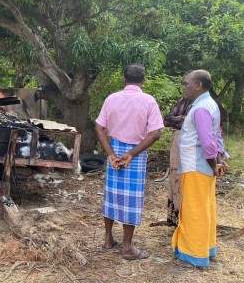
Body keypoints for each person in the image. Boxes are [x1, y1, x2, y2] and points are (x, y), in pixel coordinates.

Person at [95, 63, 164, 260]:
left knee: (111, 195)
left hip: (114, 150)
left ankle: (108, 239)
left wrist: (109, 152)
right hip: (136, 152)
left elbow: (99, 128)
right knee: (131, 199)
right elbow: (156, 133)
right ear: (143, 80)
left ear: (124, 79)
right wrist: (132, 153)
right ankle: (127, 247)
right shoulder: (149, 101)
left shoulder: (111, 98)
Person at [172, 70, 228, 268]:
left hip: (196, 166)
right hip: (202, 166)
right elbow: (216, 136)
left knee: (193, 210)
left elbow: (207, 143)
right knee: (205, 207)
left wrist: (215, 164)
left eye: (186, 83)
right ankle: (207, 248)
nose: (184, 87)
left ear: (198, 85)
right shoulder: (208, 104)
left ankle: (193, 254)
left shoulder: (201, 108)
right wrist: (218, 161)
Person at [163, 95, 192, 225]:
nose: (185, 87)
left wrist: (181, 120)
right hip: (177, 141)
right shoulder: (182, 100)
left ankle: (187, 218)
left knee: (189, 178)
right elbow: (166, 120)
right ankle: (176, 217)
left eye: (187, 83)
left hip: (192, 144)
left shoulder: (203, 103)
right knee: (175, 176)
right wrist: (183, 118)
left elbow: (194, 123)